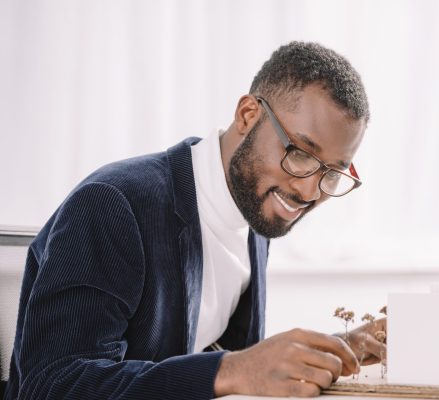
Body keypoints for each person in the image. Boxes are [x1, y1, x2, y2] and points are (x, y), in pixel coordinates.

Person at [4, 41, 385, 400]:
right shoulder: (114, 203)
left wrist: (333, 351)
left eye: (332, 173)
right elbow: (52, 385)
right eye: (301, 153)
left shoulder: (257, 209)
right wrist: (230, 370)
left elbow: (217, 362)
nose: (309, 191)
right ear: (248, 115)